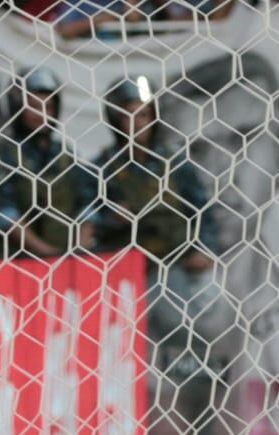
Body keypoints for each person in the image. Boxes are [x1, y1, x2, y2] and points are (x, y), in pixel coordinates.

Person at [91, 76, 226, 377]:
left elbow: (201, 209)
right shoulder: (103, 168)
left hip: (177, 272)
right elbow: (86, 221)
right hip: (128, 276)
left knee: (185, 350)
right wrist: (110, 220)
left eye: (143, 115)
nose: (137, 123)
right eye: (128, 116)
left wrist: (203, 250)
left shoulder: (174, 162)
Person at [0, 67, 96, 261]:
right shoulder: (4, 155)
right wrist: (45, 252)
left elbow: (87, 202)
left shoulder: (65, 154)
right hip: (19, 264)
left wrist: (80, 247)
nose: (43, 114)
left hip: (69, 260)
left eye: (49, 107)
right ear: (17, 106)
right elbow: (3, 213)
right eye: (34, 106)